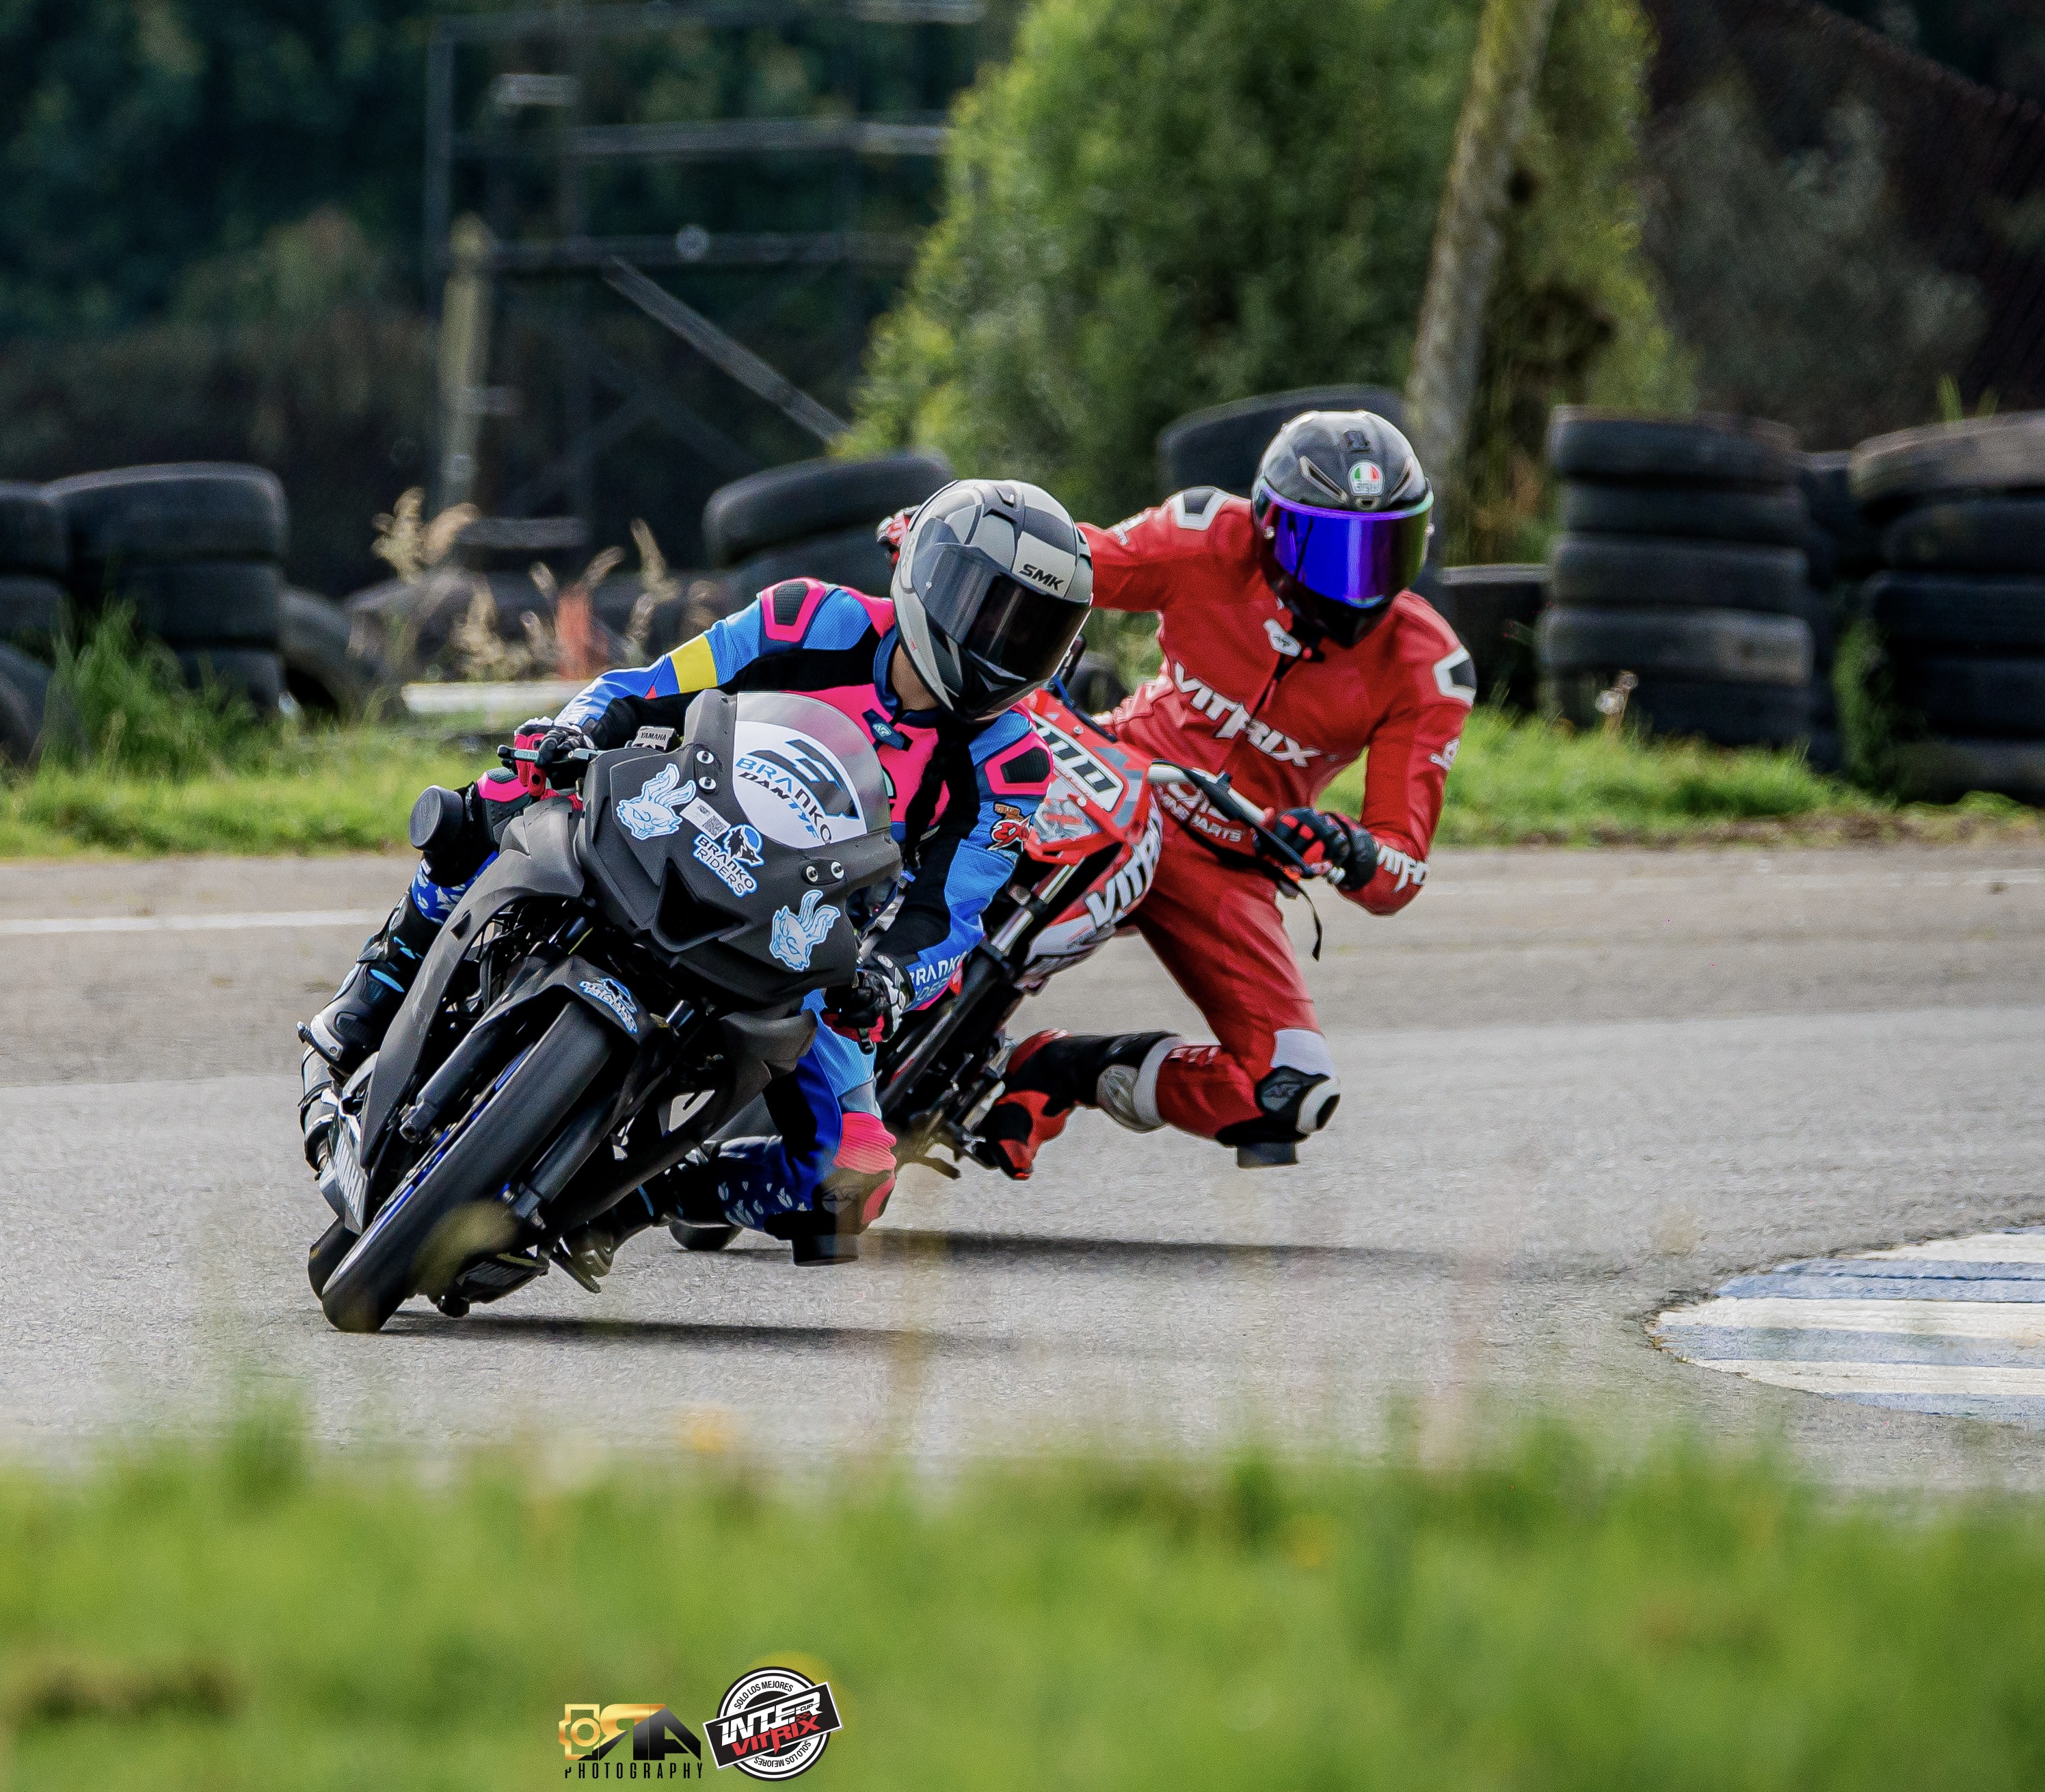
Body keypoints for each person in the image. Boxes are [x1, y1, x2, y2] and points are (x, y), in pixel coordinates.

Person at [301, 477, 1090, 1261]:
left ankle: (644, 1195)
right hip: (676, 818)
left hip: (805, 936)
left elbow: (948, 912)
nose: (1002, 646)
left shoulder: (1014, 762)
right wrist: (574, 732)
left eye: (1034, 633)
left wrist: (890, 979)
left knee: (857, 1176)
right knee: (504, 788)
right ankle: (374, 985)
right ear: (928, 573)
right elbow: (649, 690)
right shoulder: (811, 615)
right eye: (988, 610)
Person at [978, 410, 1473, 1176]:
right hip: (1116, 779)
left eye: (1385, 551)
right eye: (1332, 550)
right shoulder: (1206, 532)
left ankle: (1060, 1069)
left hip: (1232, 857)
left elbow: (1399, 867)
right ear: (1269, 528)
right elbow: (1068, 562)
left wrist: (1346, 847)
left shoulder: (1430, 668)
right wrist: (957, 538)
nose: (1360, 583)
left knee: (1290, 1090)